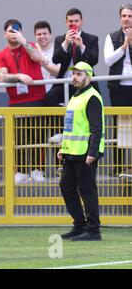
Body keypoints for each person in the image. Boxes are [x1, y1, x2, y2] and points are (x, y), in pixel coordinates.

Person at [0, 19, 46, 184]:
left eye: (16, 30)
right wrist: (18, 76)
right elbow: (2, 76)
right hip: (16, 101)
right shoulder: (2, 54)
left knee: (38, 137)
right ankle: (22, 171)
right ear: (4, 34)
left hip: (37, 98)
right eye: (10, 31)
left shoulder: (29, 45)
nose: (13, 34)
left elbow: (38, 57)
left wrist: (24, 41)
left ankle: (38, 169)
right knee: (19, 139)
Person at [58, 62, 103, 241]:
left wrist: (92, 152)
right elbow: (70, 127)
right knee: (66, 187)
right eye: (74, 74)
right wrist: (63, 148)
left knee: (87, 190)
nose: (74, 77)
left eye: (79, 74)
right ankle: (79, 225)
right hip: (72, 153)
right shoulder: (75, 97)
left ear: (88, 77)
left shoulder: (92, 97)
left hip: (85, 154)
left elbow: (96, 128)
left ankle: (93, 230)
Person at [47, 8, 99, 106]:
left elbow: (94, 60)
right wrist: (66, 43)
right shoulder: (60, 39)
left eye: (76, 21)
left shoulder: (91, 39)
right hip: (65, 82)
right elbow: (55, 60)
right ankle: (60, 121)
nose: (74, 24)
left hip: (84, 82)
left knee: (90, 103)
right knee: (49, 97)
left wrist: (82, 46)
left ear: (82, 21)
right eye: (71, 21)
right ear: (66, 23)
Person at [104, 4, 132, 176]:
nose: (127, 19)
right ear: (119, 18)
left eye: (130, 15)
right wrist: (124, 46)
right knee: (119, 126)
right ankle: (118, 167)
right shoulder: (112, 37)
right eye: (124, 15)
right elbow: (108, 60)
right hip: (118, 87)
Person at [34, 21, 60, 92]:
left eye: (45, 33)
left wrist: (44, 64)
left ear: (50, 35)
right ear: (35, 36)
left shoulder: (57, 49)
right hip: (36, 94)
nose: (42, 36)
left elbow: (59, 72)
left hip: (54, 93)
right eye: (39, 34)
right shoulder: (31, 50)